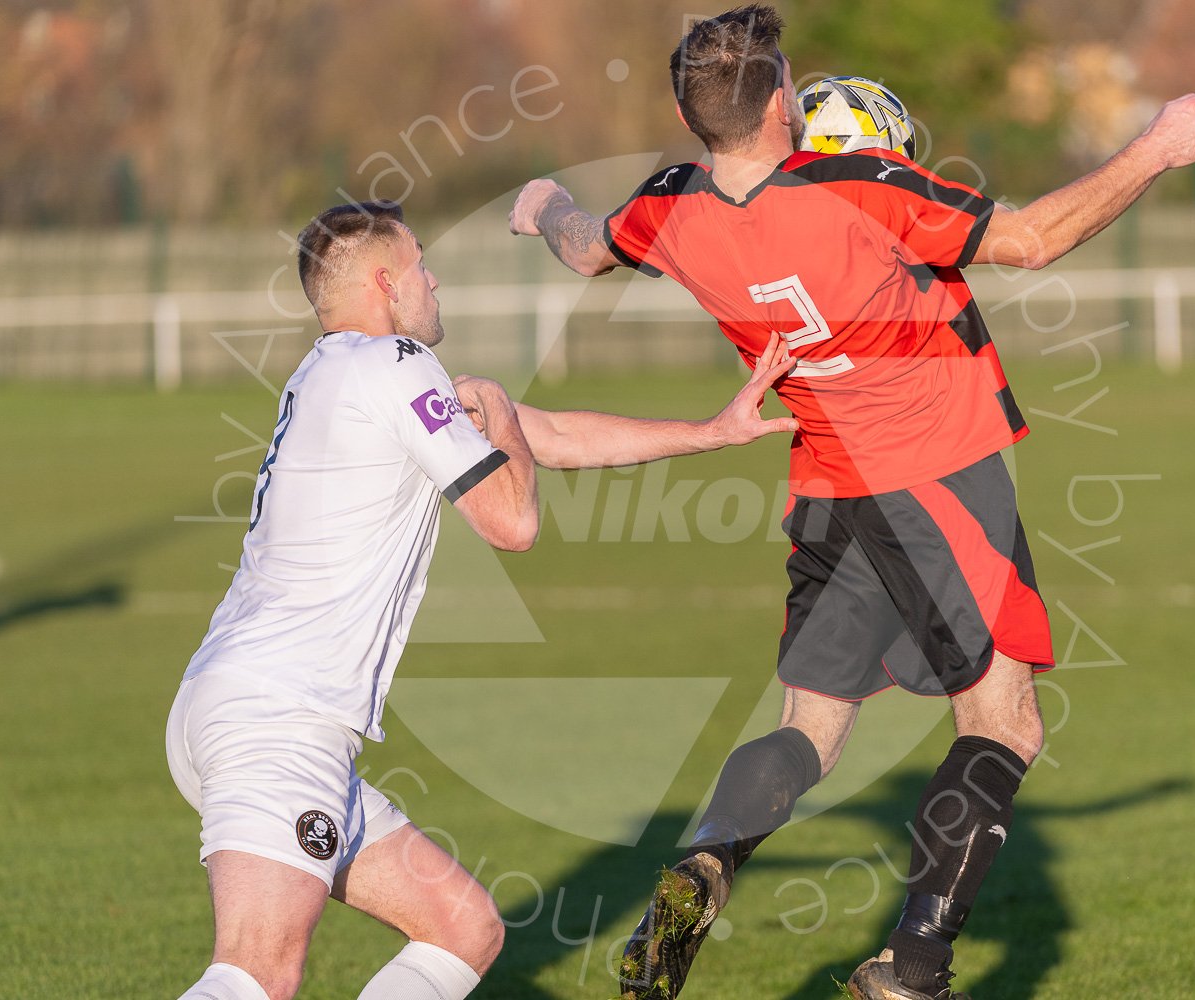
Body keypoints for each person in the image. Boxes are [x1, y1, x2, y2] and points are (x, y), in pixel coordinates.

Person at [507, 6, 1195, 1000]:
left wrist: (546, 204)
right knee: (1004, 721)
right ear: (780, 104)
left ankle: (706, 864)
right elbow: (1027, 240)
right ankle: (915, 968)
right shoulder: (855, 186)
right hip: (939, 479)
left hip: (827, 488)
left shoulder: (672, 205)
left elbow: (587, 247)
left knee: (809, 728)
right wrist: (1157, 147)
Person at [166, 198, 797, 1000]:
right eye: (423, 263)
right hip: (281, 718)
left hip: (240, 702)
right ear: (387, 284)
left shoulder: (337, 373)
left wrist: (711, 431)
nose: (435, 280)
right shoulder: (392, 365)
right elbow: (512, 520)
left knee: (462, 928)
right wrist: (496, 406)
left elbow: (550, 437)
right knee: (255, 972)